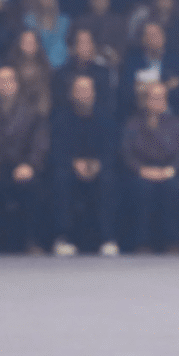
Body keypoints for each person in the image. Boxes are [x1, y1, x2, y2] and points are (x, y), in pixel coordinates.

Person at [0, 65, 49, 253]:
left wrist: (30, 165)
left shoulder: (32, 113)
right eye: (1, 81)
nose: (5, 85)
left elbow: (39, 143)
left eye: (9, 80)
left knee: (34, 186)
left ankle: (32, 241)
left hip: (22, 165)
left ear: (16, 84)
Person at [50, 75, 118, 256]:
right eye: (79, 90)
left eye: (87, 90)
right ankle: (63, 237)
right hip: (69, 167)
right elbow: (56, 150)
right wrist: (73, 163)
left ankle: (107, 238)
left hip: (99, 167)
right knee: (60, 179)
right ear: (71, 94)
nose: (83, 94)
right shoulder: (60, 119)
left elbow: (112, 149)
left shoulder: (105, 118)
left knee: (109, 179)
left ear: (94, 93)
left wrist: (99, 164)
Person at [121, 82, 179, 251]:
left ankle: (173, 241)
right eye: (153, 98)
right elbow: (127, 153)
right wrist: (141, 170)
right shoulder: (134, 123)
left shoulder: (177, 123)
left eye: (161, 98)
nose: (157, 102)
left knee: (174, 188)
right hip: (142, 171)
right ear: (145, 100)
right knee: (142, 189)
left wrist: (170, 170)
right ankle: (142, 242)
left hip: (168, 170)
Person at [22, 0, 71, 69]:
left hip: (63, 67)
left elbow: (70, 46)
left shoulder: (65, 21)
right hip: (38, 68)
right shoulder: (29, 21)